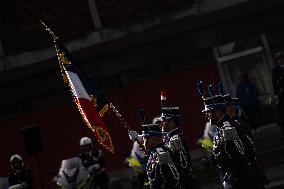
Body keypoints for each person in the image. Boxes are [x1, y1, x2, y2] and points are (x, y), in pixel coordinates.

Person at [198, 81, 267, 189]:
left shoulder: (228, 127)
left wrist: (230, 177)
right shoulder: (217, 127)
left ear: (218, 112)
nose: (206, 115)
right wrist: (210, 158)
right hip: (231, 175)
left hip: (240, 180)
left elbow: (239, 155)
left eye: (209, 112)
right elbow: (209, 146)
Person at [160, 106, 201, 189]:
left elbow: (180, 164)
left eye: (164, 121)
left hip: (184, 183)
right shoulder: (170, 138)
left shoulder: (175, 139)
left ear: (172, 122)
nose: (161, 124)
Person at [272, 52, 284, 134]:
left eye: (282, 58)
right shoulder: (275, 70)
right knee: (279, 107)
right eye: (279, 59)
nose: (281, 60)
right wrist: (276, 92)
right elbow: (274, 82)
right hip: (282, 90)